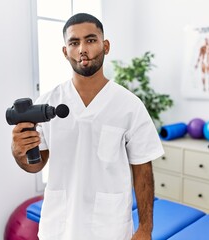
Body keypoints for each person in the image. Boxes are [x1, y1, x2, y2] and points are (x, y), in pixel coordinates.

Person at [11, 13, 164, 240]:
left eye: (91, 40)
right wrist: (18, 152)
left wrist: (145, 229)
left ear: (106, 46)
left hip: (108, 227)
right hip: (59, 226)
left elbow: (142, 171)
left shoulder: (130, 106)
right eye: (74, 42)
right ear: (65, 52)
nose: (82, 48)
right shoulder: (48, 101)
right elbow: (36, 165)